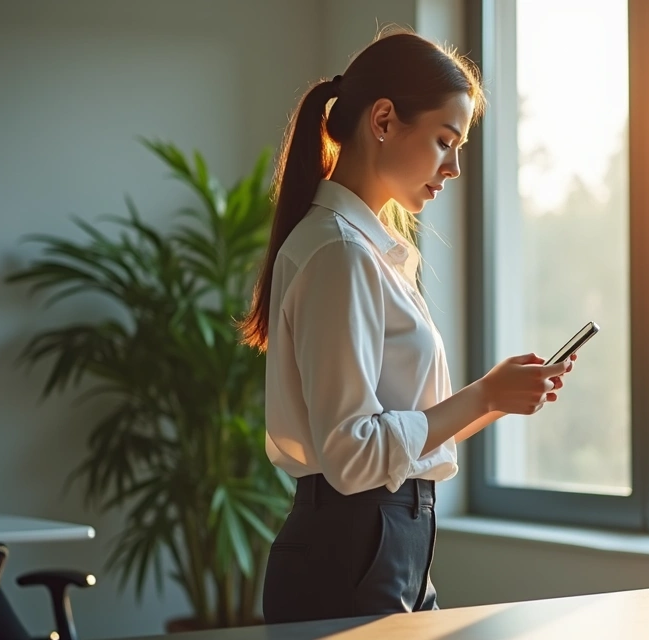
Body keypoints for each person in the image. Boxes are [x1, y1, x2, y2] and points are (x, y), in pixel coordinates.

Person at [237, 28, 577, 624]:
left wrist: (498, 399)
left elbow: (403, 443)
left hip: (386, 544)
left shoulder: (369, 253)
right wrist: (482, 395)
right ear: (385, 120)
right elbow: (353, 456)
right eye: (446, 141)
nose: (456, 168)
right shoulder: (339, 254)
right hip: (350, 551)